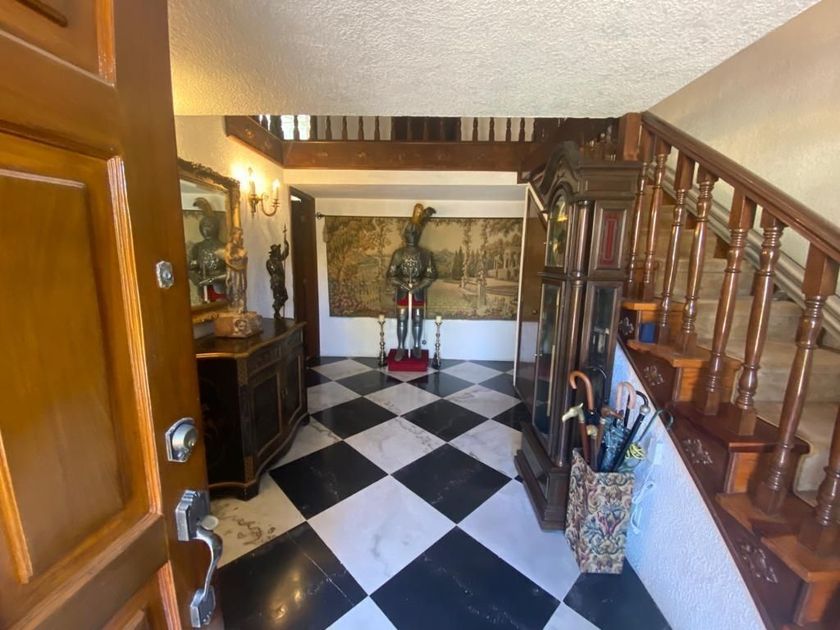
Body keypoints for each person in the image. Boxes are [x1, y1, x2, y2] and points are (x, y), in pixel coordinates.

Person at [386, 204, 437, 361]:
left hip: (418, 291)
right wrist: (403, 285)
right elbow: (391, 275)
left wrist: (417, 287)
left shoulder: (425, 254)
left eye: (414, 233)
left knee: (417, 319)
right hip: (403, 291)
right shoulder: (398, 254)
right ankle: (401, 346)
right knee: (402, 320)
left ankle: (416, 346)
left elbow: (431, 275)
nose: (412, 235)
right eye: (409, 232)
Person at [224, 227, 248, 312]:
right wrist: (238, 257)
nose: (241, 236)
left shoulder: (240, 246)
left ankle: (242, 308)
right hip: (234, 271)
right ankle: (236, 307)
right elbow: (227, 259)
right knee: (236, 288)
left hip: (241, 270)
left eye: (241, 234)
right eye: (239, 234)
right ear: (233, 235)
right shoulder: (230, 245)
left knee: (242, 287)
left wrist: (243, 258)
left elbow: (244, 259)